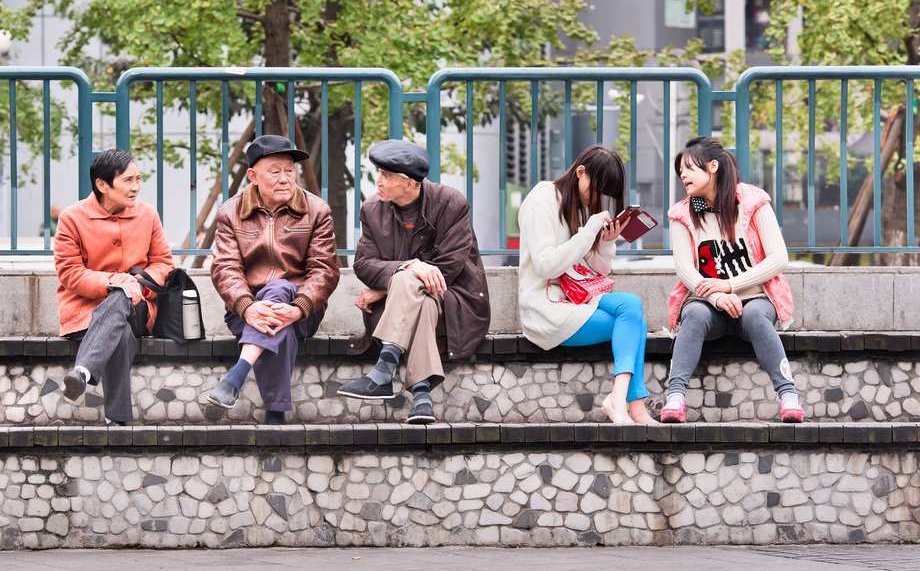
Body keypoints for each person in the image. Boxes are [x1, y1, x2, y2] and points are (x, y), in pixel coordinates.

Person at [337, 139, 490, 425]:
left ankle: (384, 369)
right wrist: (409, 266)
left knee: (414, 285)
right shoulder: (372, 210)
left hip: (455, 299)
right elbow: (363, 264)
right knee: (420, 298)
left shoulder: (450, 203)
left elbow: (451, 265)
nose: (377, 181)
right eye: (378, 173)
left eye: (386, 175)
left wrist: (386, 285)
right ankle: (421, 396)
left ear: (410, 183)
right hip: (413, 307)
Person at [661, 136, 804, 423]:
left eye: (688, 168)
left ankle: (788, 395)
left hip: (755, 298)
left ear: (712, 166)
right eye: (680, 172)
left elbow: (778, 258)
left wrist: (730, 285)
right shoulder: (683, 213)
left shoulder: (752, 202)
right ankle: (675, 397)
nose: (682, 175)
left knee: (755, 317)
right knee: (694, 315)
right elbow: (685, 270)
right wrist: (716, 296)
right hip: (706, 301)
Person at [205, 134, 339, 424]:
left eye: (290, 171)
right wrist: (247, 306)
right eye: (275, 171)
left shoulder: (317, 211)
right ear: (252, 175)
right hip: (246, 311)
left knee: (278, 290)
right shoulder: (231, 212)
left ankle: (237, 375)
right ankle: (275, 412)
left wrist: (300, 307)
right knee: (276, 314)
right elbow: (225, 268)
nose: (285, 179)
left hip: (303, 310)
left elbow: (325, 269)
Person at [517, 146, 655, 425]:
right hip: (546, 308)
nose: (597, 198)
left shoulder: (580, 207)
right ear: (580, 172)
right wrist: (590, 230)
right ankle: (632, 405)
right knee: (635, 324)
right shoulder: (541, 199)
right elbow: (545, 266)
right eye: (597, 190)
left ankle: (622, 399)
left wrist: (606, 241)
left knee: (632, 305)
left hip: (578, 297)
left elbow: (597, 271)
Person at [54, 148, 174, 425]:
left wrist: (137, 284)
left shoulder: (148, 215)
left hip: (138, 307)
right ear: (102, 185)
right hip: (86, 312)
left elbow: (164, 263)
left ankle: (83, 371)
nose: (136, 188)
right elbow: (69, 273)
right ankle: (118, 419)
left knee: (123, 298)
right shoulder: (72, 219)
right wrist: (113, 283)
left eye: (138, 179)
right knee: (119, 334)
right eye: (128, 180)